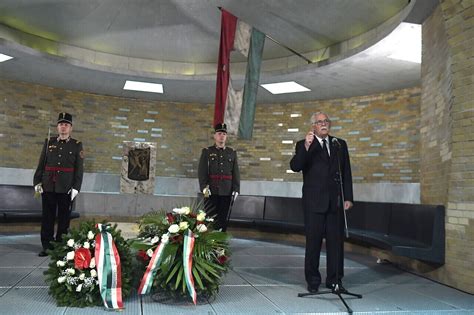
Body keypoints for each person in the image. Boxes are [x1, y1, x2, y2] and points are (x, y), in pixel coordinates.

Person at [290, 112, 353, 293]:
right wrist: (307, 146)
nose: (323, 124)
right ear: (313, 126)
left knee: (336, 244)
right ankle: (313, 281)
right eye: (319, 122)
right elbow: (295, 166)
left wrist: (348, 197)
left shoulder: (339, 144)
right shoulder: (304, 144)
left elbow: (346, 173)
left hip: (335, 203)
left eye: (326, 121)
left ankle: (335, 281)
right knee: (313, 243)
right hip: (313, 203)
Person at [33, 113, 84, 257]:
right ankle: (47, 246)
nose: (63, 127)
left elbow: (79, 169)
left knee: (63, 219)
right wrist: (37, 181)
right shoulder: (49, 142)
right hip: (48, 185)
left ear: (71, 128)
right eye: (61, 124)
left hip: (66, 187)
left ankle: (61, 246)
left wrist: (76, 187)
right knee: (47, 217)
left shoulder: (76, 145)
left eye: (66, 125)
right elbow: (41, 163)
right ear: (57, 127)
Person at [198, 123, 240, 231]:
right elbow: (202, 171)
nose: (222, 136)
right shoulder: (207, 151)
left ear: (226, 137)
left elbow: (235, 172)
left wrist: (236, 189)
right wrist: (204, 187)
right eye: (220, 133)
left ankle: (221, 245)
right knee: (210, 218)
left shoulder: (232, 152)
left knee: (223, 219)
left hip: (227, 191)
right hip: (211, 190)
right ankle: (211, 244)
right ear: (215, 136)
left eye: (224, 134)